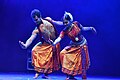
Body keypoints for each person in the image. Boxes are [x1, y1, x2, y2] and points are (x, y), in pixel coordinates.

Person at [19, 9, 63, 79]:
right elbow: (31, 38)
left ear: (40, 17)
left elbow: (57, 23)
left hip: (54, 43)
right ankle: (37, 72)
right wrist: (25, 45)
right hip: (45, 44)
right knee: (34, 50)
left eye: (36, 19)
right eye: (34, 20)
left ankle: (45, 75)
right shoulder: (36, 30)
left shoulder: (48, 19)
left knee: (48, 58)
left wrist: (65, 23)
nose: (35, 21)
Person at [53, 12, 97, 80]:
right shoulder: (65, 30)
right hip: (74, 46)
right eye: (64, 23)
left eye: (66, 22)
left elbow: (83, 29)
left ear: (70, 21)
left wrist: (90, 28)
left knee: (83, 63)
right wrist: (54, 43)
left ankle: (83, 78)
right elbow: (59, 38)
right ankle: (70, 76)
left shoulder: (76, 24)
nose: (65, 24)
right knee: (63, 54)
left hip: (82, 45)